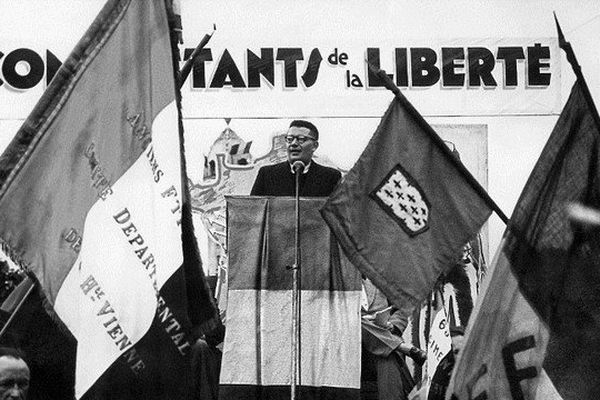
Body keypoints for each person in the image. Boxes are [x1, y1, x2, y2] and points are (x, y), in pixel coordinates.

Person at [361, 277, 425, 400]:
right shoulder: (338, 283)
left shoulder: (378, 276)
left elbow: (401, 309)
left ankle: (394, 344)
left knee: (387, 355)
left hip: (383, 338)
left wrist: (392, 325)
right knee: (357, 320)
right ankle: (400, 346)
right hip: (350, 341)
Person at [250, 120, 341, 197]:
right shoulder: (266, 175)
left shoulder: (331, 177)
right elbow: (252, 211)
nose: (293, 143)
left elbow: (339, 214)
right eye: (289, 139)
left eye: (301, 139)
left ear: (314, 146)